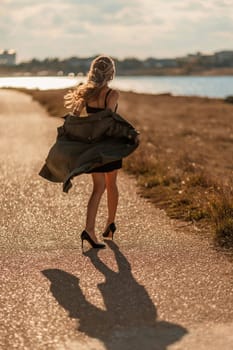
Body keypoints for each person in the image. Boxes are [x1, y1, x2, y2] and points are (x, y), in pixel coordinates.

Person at [39, 55, 139, 250]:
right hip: (109, 147)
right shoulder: (112, 94)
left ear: (93, 71)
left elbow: (74, 118)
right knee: (111, 184)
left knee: (98, 187)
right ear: (111, 73)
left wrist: (73, 139)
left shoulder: (86, 93)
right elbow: (108, 119)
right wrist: (130, 133)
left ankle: (91, 229)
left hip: (93, 148)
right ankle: (109, 224)